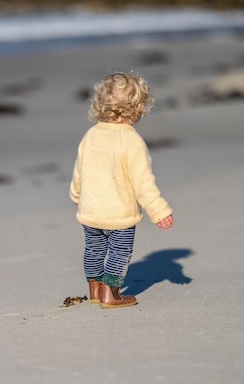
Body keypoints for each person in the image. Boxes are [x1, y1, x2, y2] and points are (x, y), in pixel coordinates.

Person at [69, 71, 174, 309]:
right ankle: (111, 293)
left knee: (94, 250)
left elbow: (80, 170)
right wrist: (159, 211)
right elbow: (143, 181)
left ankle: (95, 289)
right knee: (119, 252)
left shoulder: (91, 134)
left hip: (91, 211)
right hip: (119, 215)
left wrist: (77, 195)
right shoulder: (131, 141)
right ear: (138, 107)